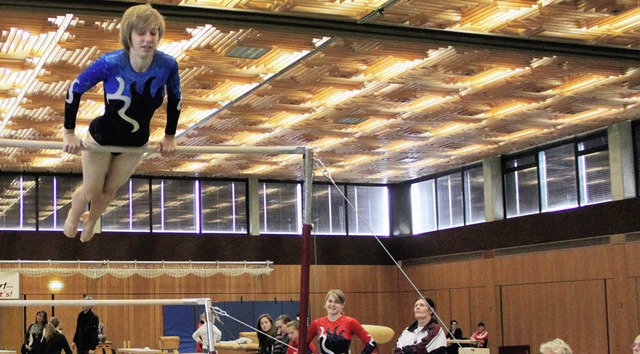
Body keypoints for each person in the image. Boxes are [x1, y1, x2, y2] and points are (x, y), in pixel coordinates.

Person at [62, 3, 182, 242]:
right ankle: (74, 216)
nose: (148, 39)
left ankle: (91, 220)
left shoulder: (167, 65)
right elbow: (74, 90)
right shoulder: (111, 62)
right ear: (129, 35)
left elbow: (176, 98)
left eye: (153, 32)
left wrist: (169, 136)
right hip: (102, 138)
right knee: (91, 190)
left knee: (108, 193)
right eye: (141, 33)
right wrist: (69, 132)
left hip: (135, 143)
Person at [307, 289, 376, 354]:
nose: (332, 304)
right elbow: (302, 343)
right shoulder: (317, 323)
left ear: (342, 305)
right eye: (330, 301)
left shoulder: (350, 322)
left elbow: (371, 343)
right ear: (326, 303)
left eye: (336, 302)